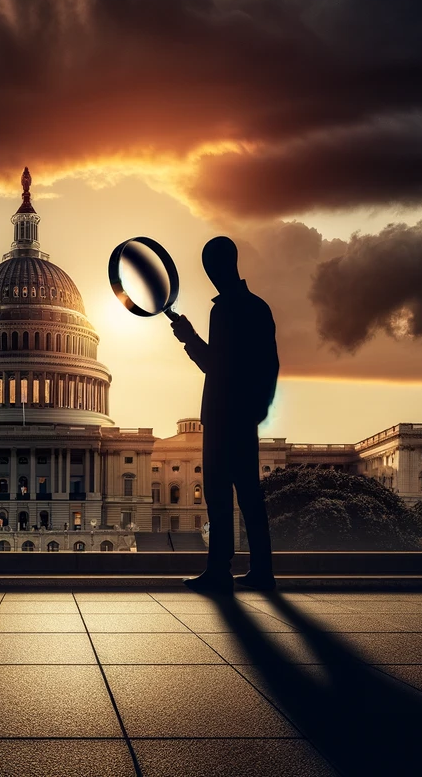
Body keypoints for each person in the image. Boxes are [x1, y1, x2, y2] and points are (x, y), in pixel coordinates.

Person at [171, 236, 279, 593]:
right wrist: (259, 408)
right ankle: (261, 571)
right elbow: (270, 365)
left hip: (221, 416)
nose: (210, 274)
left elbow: (215, 367)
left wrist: (188, 338)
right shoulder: (259, 307)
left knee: (219, 498)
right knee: (249, 495)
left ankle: (220, 570)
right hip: (242, 416)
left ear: (223, 265)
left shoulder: (226, 310)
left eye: (210, 267)